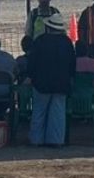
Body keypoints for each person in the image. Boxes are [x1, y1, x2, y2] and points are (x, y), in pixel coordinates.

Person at [27, 13, 76, 147]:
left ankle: (36, 140)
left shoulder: (40, 41)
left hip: (41, 83)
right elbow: (72, 63)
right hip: (61, 83)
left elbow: (32, 62)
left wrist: (30, 76)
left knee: (39, 112)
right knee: (58, 113)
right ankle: (55, 140)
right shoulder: (67, 43)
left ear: (48, 27)